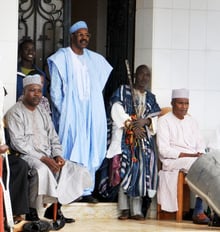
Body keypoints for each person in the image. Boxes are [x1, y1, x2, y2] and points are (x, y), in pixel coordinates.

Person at [4, 75, 92, 228]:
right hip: (27, 156)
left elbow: (53, 136)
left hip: (47, 155)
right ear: (24, 91)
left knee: (74, 169)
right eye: (32, 90)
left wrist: (57, 155)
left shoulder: (43, 112)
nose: (37, 94)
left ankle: (55, 209)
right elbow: (18, 143)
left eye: (39, 90)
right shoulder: (15, 112)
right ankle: (32, 211)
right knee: (41, 170)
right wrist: (44, 158)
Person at [47, 20, 113, 203]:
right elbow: (55, 92)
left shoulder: (94, 59)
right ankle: (70, 191)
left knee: (91, 148)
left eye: (87, 35)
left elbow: (98, 85)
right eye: (80, 35)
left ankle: (87, 190)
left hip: (91, 113)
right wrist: (66, 112)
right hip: (71, 114)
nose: (84, 38)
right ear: (72, 36)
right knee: (72, 149)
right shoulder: (62, 57)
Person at [105, 65, 161, 220]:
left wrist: (146, 121)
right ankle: (124, 209)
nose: (144, 78)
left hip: (143, 141)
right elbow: (116, 109)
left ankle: (136, 210)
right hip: (126, 139)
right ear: (135, 75)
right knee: (126, 170)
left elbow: (155, 117)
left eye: (147, 75)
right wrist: (131, 125)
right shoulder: (123, 91)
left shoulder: (151, 97)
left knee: (141, 172)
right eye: (142, 74)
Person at [156, 88, 210, 224]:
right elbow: (163, 150)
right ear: (172, 103)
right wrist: (188, 154)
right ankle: (198, 211)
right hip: (173, 160)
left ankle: (211, 210)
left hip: (192, 159)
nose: (184, 107)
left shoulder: (192, 121)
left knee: (211, 164)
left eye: (186, 104)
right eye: (180, 103)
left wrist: (201, 153)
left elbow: (200, 143)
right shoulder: (164, 121)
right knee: (199, 165)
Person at [0, 81, 29, 230]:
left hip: (3, 156)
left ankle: (16, 215)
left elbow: (8, 141)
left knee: (20, 165)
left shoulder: (1, 118)